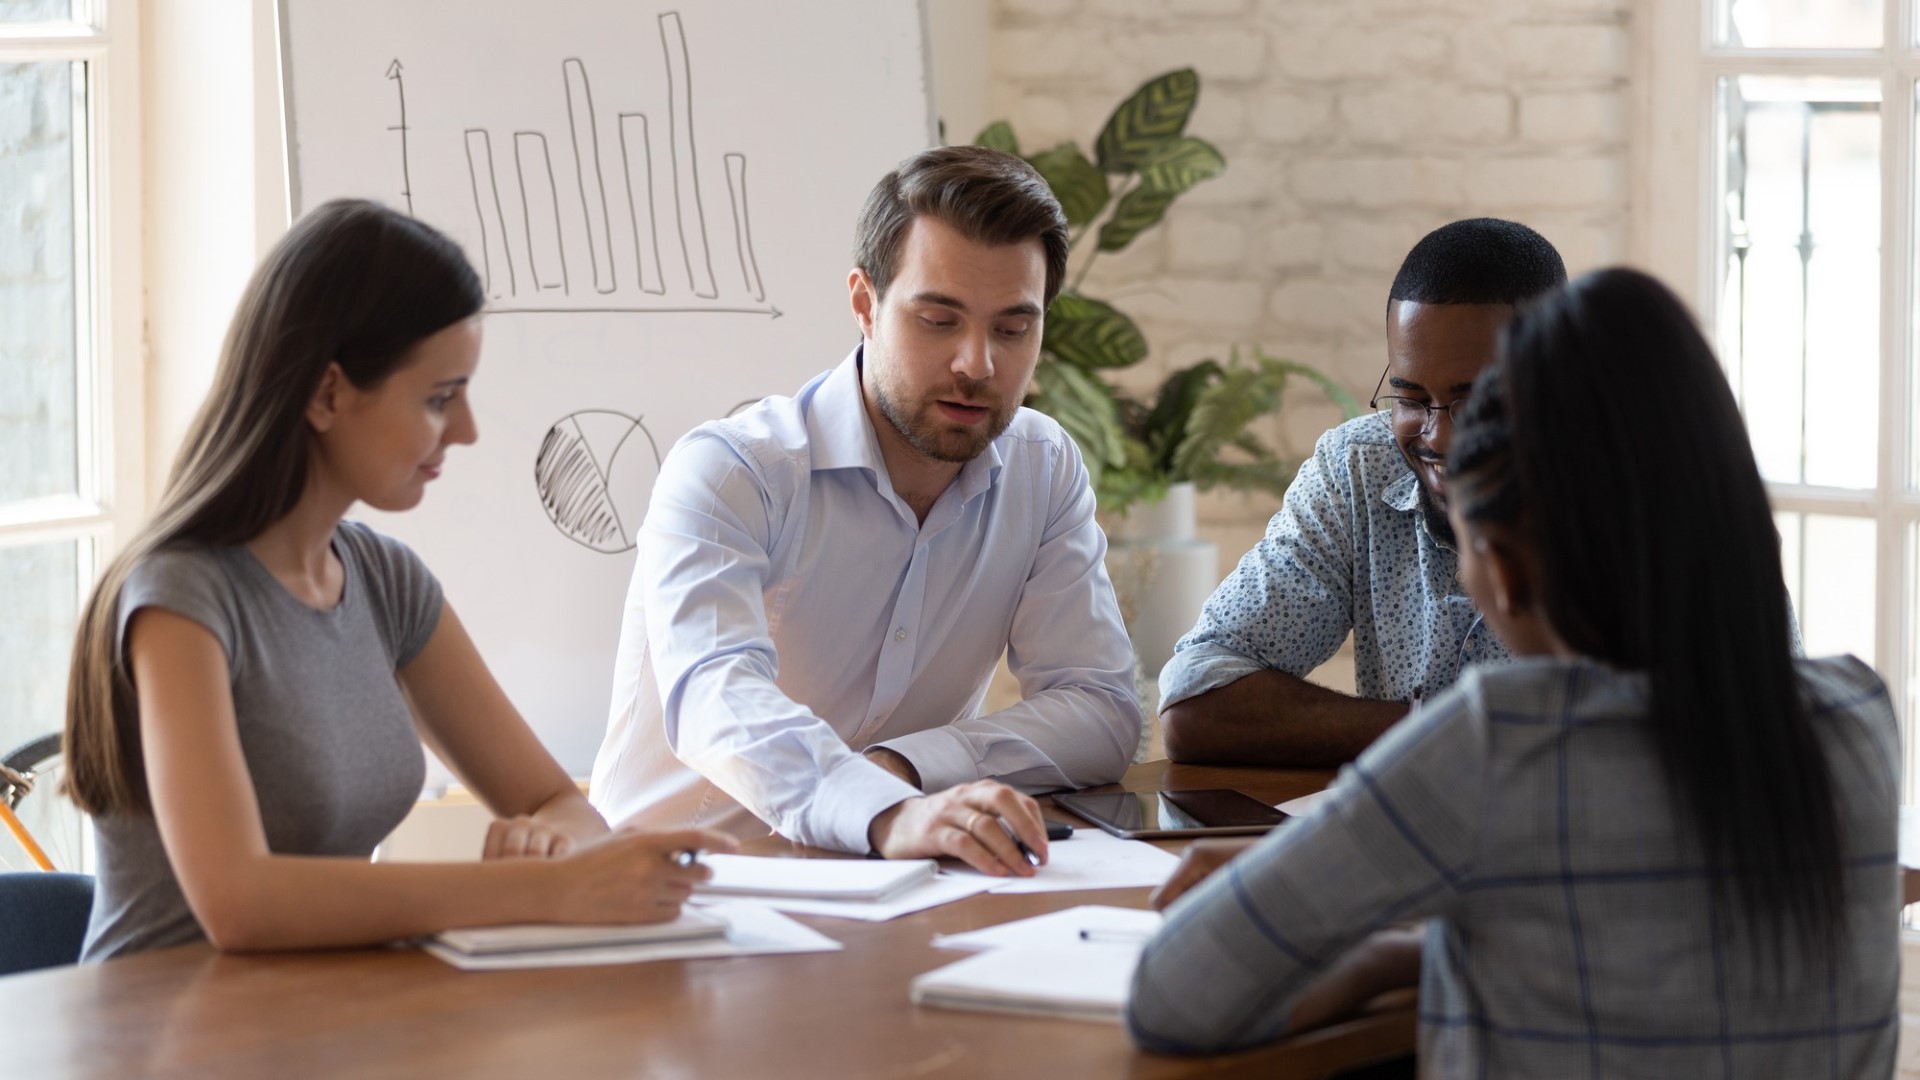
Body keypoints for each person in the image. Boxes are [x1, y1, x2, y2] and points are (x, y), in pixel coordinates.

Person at [1127, 269, 1900, 1076]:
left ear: (1496, 563)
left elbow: (1172, 995)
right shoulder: (1860, 714)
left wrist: (1337, 917)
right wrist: (1423, 952)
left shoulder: (1501, 740)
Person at [65, 200, 735, 960]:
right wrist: (542, 890)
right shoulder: (181, 599)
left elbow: (554, 801)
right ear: (327, 395)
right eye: (439, 398)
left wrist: (552, 842)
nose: (468, 429)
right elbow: (240, 904)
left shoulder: (385, 582)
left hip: (320, 1025)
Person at [589, 146, 1139, 877]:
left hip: (891, 891)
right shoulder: (732, 470)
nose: (977, 364)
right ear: (863, 304)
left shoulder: (1042, 468)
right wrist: (881, 808)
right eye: (939, 320)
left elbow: (1100, 710)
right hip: (678, 897)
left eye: (1012, 329)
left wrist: (903, 770)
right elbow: (714, 697)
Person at [1158, 219, 1566, 766]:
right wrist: (1446, 730)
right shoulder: (1360, 468)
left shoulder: (1645, 495)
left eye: (1477, 400)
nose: (1439, 436)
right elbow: (1195, 698)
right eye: (1412, 398)